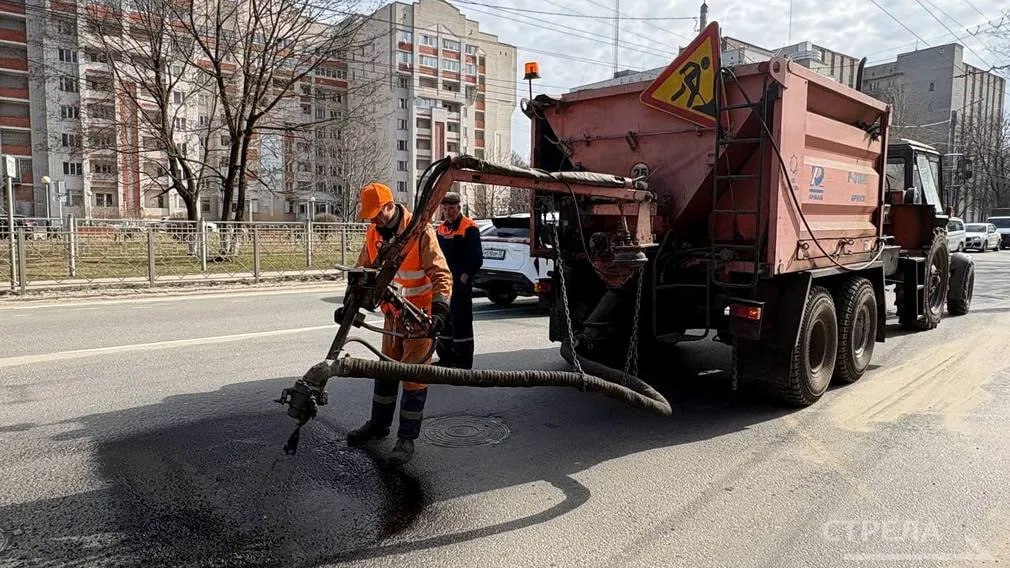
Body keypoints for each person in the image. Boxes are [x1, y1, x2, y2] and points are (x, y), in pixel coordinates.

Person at [344, 182, 452, 465]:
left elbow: (441, 274)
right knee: (386, 371)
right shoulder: (373, 232)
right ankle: (378, 426)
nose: (373, 220)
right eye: (369, 216)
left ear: (390, 206)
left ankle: (406, 440)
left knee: (414, 378)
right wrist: (350, 304)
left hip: (419, 317)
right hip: (393, 314)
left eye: (377, 213)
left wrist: (440, 311)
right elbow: (363, 270)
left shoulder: (419, 231)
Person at [434, 192, 483, 369]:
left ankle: (463, 361)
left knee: (461, 322)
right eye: (446, 209)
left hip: (461, 286)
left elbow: (477, 258)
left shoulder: (469, 227)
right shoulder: (440, 229)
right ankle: (446, 357)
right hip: (444, 284)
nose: (449, 212)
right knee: (444, 322)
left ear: (459, 208)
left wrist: (465, 276)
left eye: (452, 209)